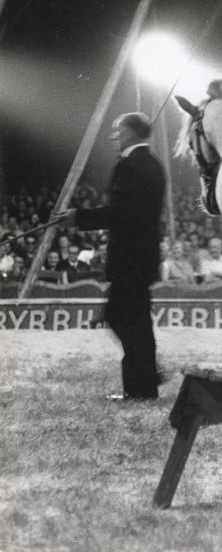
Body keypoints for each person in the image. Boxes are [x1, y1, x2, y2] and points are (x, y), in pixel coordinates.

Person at [58, 112, 166, 401]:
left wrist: (79, 217)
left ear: (130, 132)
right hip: (141, 258)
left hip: (130, 259)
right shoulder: (153, 165)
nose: (112, 136)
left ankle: (142, 385)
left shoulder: (130, 166)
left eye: (117, 130)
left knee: (123, 319)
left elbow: (122, 212)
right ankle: (145, 380)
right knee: (131, 319)